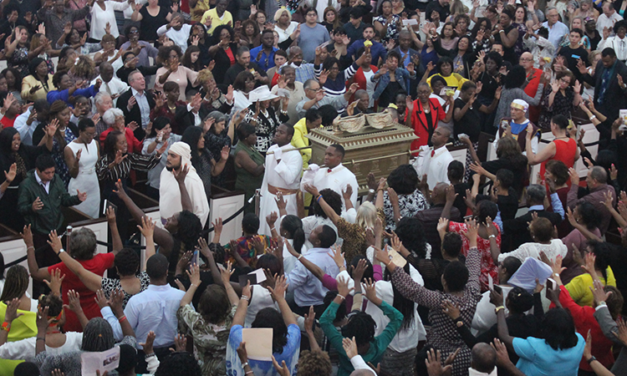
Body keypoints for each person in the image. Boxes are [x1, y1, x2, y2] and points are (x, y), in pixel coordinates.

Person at [382, 219, 481, 376]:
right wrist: (474, 241)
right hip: (465, 354)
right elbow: (474, 269)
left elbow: (413, 290)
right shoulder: (473, 293)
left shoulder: (441, 302)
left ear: (444, 281)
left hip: (438, 356)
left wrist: (391, 264)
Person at [227, 276, 301, 376]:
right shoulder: (289, 345)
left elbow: (237, 324)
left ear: (255, 327)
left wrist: (245, 297)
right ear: (282, 329)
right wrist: (280, 299)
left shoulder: (241, 343)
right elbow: (293, 324)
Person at [177, 261, 239, 376]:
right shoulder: (233, 321)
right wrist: (226, 282)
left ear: (201, 306)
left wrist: (194, 284)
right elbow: (236, 302)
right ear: (226, 305)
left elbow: (184, 303)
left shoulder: (196, 322)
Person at [0, 126, 53, 231]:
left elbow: (44, 151)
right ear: (6, 140)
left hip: (25, 195)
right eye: (13, 139)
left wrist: (50, 137)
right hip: (7, 199)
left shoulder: (23, 149)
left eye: (19, 139)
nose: (17, 142)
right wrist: (8, 181)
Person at [258, 124, 302, 235]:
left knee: (281, 229)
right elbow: (267, 175)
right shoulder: (272, 149)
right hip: (269, 196)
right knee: (265, 228)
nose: (276, 133)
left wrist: (279, 160)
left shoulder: (295, 155)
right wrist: (263, 195)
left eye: (281, 132)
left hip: (285, 199)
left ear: (289, 136)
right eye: (277, 131)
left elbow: (290, 179)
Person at [503, 184, 564, 252]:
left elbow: (500, 227)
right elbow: (561, 214)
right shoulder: (553, 217)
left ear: (529, 198)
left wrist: (496, 204)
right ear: (544, 198)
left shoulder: (521, 220)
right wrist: (554, 194)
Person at [301, 144, 358, 211]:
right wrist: (309, 173)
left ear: (339, 157)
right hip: (317, 214)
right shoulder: (320, 171)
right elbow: (303, 188)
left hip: (336, 217)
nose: (326, 157)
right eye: (325, 154)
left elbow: (350, 206)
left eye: (330, 155)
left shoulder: (349, 177)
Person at [578, 47, 627, 123]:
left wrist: (623, 87)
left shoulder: (623, 70)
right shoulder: (600, 64)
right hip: (599, 105)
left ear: (614, 58)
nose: (605, 63)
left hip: (614, 110)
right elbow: (595, 83)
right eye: (603, 61)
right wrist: (585, 74)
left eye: (607, 61)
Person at [64, 118, 100, 218]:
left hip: (93, 185)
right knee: (79, 216)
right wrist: (76, 162)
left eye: (93, 134)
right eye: (88, 134)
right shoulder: (69, 148)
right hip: (80, 185)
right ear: (80, 132)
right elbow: (73, 173)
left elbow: (98, 164)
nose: (91, 137)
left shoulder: (95, 143)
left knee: (94, 217)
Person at [567, 166, 616, 235]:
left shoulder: (593, 198)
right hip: (602, 230)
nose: (586, 180)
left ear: (594, 181)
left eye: (588, 178)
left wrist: (574, 184)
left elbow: (571, 205)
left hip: (588, 235)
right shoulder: (611, 189)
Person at [527, 114, 579, 179]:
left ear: (554, 126)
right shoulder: (572, 141)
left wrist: (528, 138)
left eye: (551, 125)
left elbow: (532, 160)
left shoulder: (554, 145)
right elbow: (576, 156)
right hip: (566, 180)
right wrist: (572, 135)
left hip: (552, 183)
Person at [406, 82, 453, 152]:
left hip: (433, 142)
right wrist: (410, 111)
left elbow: (446, 119)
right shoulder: (413, 105)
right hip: (419, 145)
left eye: (425, 92)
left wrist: (452, 103)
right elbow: (408, 127)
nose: (423, 95)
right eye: (420, 92)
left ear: (430, 92)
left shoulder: (435, 102)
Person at [234, 123, 265, 212]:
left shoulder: (251, 147)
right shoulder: (241, 152)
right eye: (253, 134)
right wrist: (269, 162)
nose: (256, 137)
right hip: (248, 190)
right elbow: (256, 171)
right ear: (246, 137)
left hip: (257, 188)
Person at [116, 70, 155, 138]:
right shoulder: (124, 98)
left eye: (143, 78)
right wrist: (128, 108)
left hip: (150, 132)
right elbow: (120, 117)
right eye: (139, 79)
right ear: (131, 83)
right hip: (135, 134)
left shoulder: (149, 95)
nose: (143, 81)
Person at [414, 126, 455, 190]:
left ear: (445, 139)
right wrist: (421, 157)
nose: (434, 135)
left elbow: (447, 184)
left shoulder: (448, 160)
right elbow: (418, 173)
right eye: (434, 132)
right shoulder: (427, 152)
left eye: (438, 134)